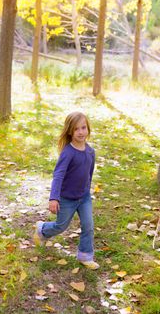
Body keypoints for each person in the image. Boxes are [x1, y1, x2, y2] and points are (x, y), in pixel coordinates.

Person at [33, 111, 99, 270]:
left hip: (83, 198)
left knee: (88, 225)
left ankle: (85, 256)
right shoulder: (68, 153)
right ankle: (42, 229)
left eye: (83, 127)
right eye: (77, 129)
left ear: (88, 129)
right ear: (70, 131)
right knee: (60, 226)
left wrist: (86, 191)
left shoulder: (90, 152)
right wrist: (54, 198)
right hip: (67, 198)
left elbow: (88, 174)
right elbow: (58, 175)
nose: (81, 132)